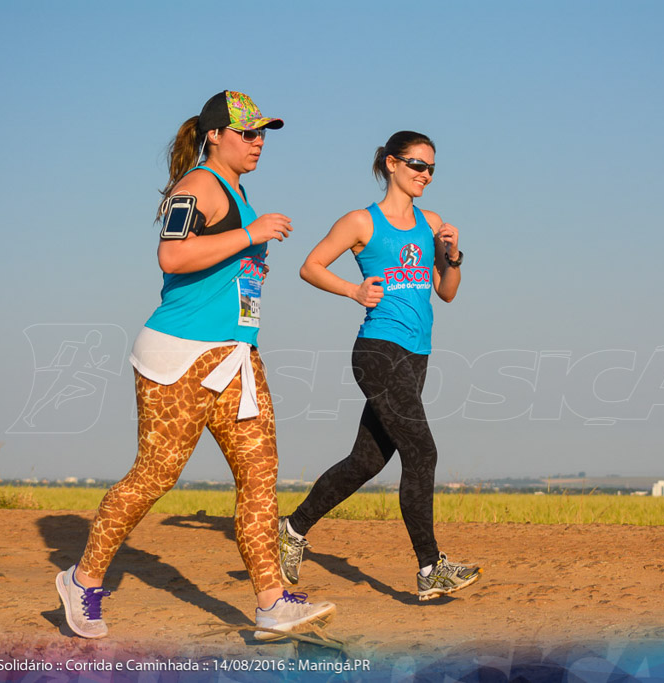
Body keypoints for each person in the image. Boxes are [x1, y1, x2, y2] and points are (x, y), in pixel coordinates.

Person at [54, 90, 334, 641]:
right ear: (214, 135)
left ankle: (272, 602)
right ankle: (82, 580)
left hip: (234, 357)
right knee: (155, 476)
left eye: (262, 134)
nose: (257, 142)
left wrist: (246, 264)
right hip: (179, 358)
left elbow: (216, 264)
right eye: (247, 133)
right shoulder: (196, 186)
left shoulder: (236, 190)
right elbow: (172, 255)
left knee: (259, 478)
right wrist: (251, 236)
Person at [278, 131, 481, 600]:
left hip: (417, 354)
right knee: (423, 452)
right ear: (391, 164)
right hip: (378, 350)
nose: (424, 174)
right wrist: (353, 290)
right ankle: (431, 568)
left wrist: (452, 256)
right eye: (416, 165)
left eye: (431, 168)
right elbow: (311, 266)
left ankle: (292, 529)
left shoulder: (432, 223)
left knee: (366, 460)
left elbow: (446, 292)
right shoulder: (360, 221)